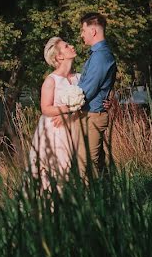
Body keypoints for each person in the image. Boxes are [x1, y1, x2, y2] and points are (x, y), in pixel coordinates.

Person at [52, 12, 116, 181]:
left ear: (93, 31)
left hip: (93, 116)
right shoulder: (97, 55)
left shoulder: (101, 56)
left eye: (83, 30)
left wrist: (65, 112)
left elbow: (87, 90)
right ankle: (109, 200)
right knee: (95, 164)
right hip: (89, 115)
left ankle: (92, 204)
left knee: (87, 165)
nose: (81, 34)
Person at [28, 36, 84, 191]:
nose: (72, 46)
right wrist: (67, 109)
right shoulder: (51, 80)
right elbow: (45, 108)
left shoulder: (80, 78)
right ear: (59, 56)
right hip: (56, 131)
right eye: (67, 46)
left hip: (77, 127)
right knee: (59, 169)